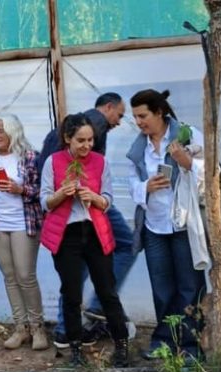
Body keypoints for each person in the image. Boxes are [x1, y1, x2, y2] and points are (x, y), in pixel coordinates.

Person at [37, 93, 137, 347]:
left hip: (91, 220)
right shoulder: (91, 126)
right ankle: (80, 328)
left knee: (91, 283)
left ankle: (81, 332)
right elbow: (46, 199)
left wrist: (95, 197)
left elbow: (106, 196)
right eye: (81, 140)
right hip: (70, 226)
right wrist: (63, 192)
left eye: (90, 140)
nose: (87, 145)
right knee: (74, 287)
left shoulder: (97, 159)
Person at [126, 89, 206, 362]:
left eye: (143, 116)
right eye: (136, 117)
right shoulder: (139, 148)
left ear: (159, 112)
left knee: (189, 286)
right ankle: (165, 341)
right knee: (161, 287)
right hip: (154, 226)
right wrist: (145, 187)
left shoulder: (188, 135)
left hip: (184, 224)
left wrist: (187, 162)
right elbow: (131, 184)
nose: (138, 122)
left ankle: (192, 345)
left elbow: (210, 172)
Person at [0, 115, 48, 351]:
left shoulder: (30, 156)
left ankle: (38, 328)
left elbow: (42, 190)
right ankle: (21, 328)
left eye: (2, 130)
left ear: (13, 132)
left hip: (23, 222)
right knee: (9, 276)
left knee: (25, 276)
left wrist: (20, 189)